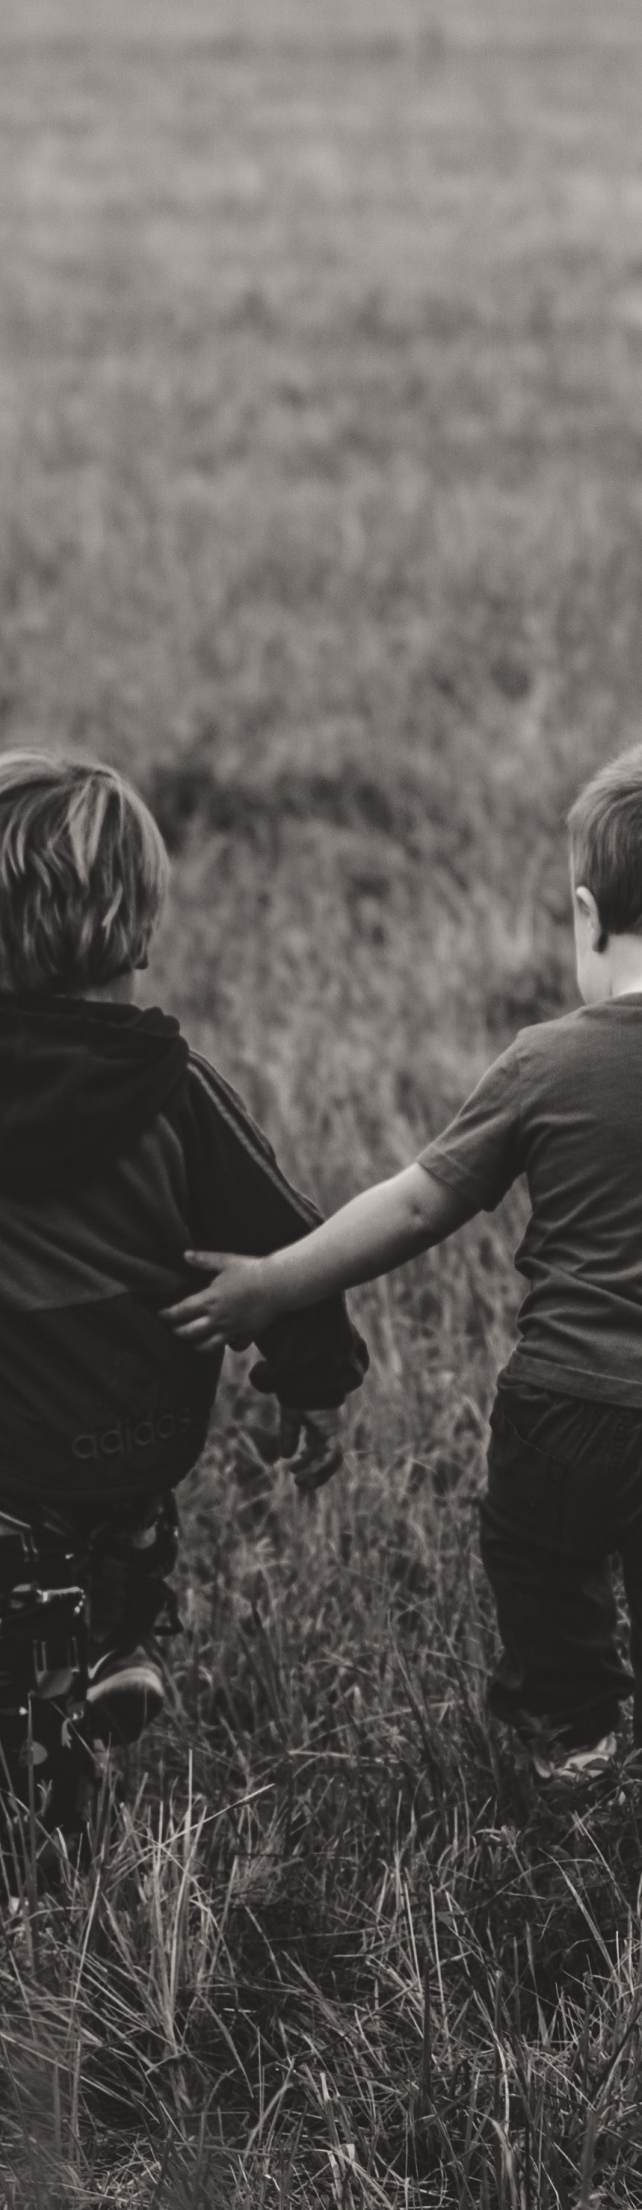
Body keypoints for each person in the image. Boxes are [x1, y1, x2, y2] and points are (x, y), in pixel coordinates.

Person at [0, 750, 368, 1873]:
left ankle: (51, 1811)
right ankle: (125, 1643)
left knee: (23, 1644)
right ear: (137, 926)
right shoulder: (173, 1090)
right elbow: (287, 1244)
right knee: (127, 1534)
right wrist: (315, 1383)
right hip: (142, 1426)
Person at [166, 745, 642, 1792]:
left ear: (587, 913)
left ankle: (573, 1741)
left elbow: (419, 1201)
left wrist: (277, 1281)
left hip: (563, 1410)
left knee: (540, 1566)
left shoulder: (547, 1061)